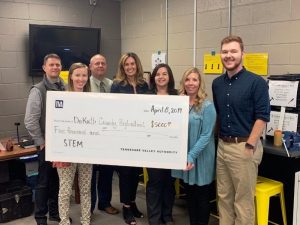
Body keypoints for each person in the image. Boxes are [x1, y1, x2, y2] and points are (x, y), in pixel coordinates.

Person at [212, 35, 270, 225]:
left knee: (243, 201)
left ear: (242, 54)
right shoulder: (217, 84)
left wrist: (250, 145)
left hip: (244, 146)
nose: (229, 55)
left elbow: (262, 116)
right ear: (221, 54)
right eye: (225, 52)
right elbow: (220, 114)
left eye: (233, 51)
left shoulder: (256, 82)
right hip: (222, 147)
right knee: (224, 196)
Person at [24, 53, 65, 225]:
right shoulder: (38, 90)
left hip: (62, 146)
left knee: (57, 181)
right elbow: (30, 120)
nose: (55, 67)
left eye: (58, 64)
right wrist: (41, 142)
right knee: (43, 182)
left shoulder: (65, 88)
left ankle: (55, 213)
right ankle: (41, 217)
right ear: (44, 68)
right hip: (46, 146)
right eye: (51, 65)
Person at [172, 67, 216, 225]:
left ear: (200, 83)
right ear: (183, 82)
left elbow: (206, 135)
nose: (191, 83)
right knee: (190, 195)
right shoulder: (179, 103)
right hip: (185, 157)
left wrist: (191, 156)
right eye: (188, 79)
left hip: (201, 157)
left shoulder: (207, 106)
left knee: (202, 197)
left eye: (194, 80)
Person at [111, 52, 148, 225]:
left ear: (137, 65)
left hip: (140, 137)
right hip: (123, 138)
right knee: (125, 174)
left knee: (135, 173)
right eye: (127, 64)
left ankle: (132, 203)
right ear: (122, 67)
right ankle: (126, 207)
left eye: (133, 63)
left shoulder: (143, 85)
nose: (130, 67)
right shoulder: (117, 85)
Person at [53, 63, 92, 225]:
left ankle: (86, 221)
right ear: (70, 76)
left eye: (84, 75)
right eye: (77, 75)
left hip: (86, 150)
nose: (81, 79)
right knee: (65, 190)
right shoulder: (61, 98)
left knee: (85, 189)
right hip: (66, 151)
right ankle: (64, 221)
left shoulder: (93, 99)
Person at [146, 64, 177, 225]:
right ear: (154, 77)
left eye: (165, 74)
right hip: (152, 148)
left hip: (172, 148)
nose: (161, 77)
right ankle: (155, 218)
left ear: (169, 77)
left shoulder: (178, 96)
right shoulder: (147, 96)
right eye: (158, 74)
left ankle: (167, 215)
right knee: (155, 183)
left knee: (169, 182)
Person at [89, 54, 119, 215]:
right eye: (97, 63)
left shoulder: (112, 85)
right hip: (91, 137)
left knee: (107, 173)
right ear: (90, 66)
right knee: (91, 175)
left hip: (108, 138)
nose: (100, 65)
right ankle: (90, 207)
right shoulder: (84, 84)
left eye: (103, 63)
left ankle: (105, 203)